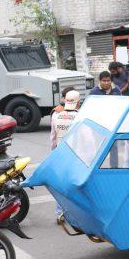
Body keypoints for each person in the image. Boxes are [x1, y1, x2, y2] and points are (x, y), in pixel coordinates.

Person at [50, 90, 81, 223]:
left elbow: (53, 138)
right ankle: (76, 214)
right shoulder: (81, 116)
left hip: (60, 154)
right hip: (76, 155)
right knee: (75, 185)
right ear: (78, 102)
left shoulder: (56, 116)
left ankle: (60, 212)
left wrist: (54, 154)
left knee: (62, 184)